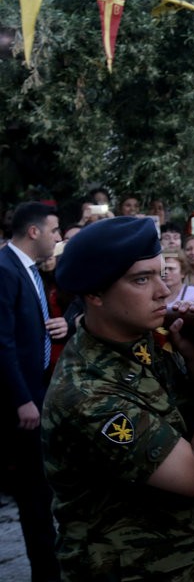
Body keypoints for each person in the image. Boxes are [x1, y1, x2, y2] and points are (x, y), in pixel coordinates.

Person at [42, 216, 194, 580]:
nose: (163, 291)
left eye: (160, 273)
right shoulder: (87, 393)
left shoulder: (143, 346)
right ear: (94, 295)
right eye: (141, 280)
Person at [0, 201, 64, 582]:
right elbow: (2, 341)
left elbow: (26, 328)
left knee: (39, 491)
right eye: (55, 231)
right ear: (35, 231)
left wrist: (54, 327)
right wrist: (23, 398)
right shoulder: (6, 270)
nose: (58, 238)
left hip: (35, 391)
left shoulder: (30, 272)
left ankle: (48, 567)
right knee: (33, 494)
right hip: (18, 401)